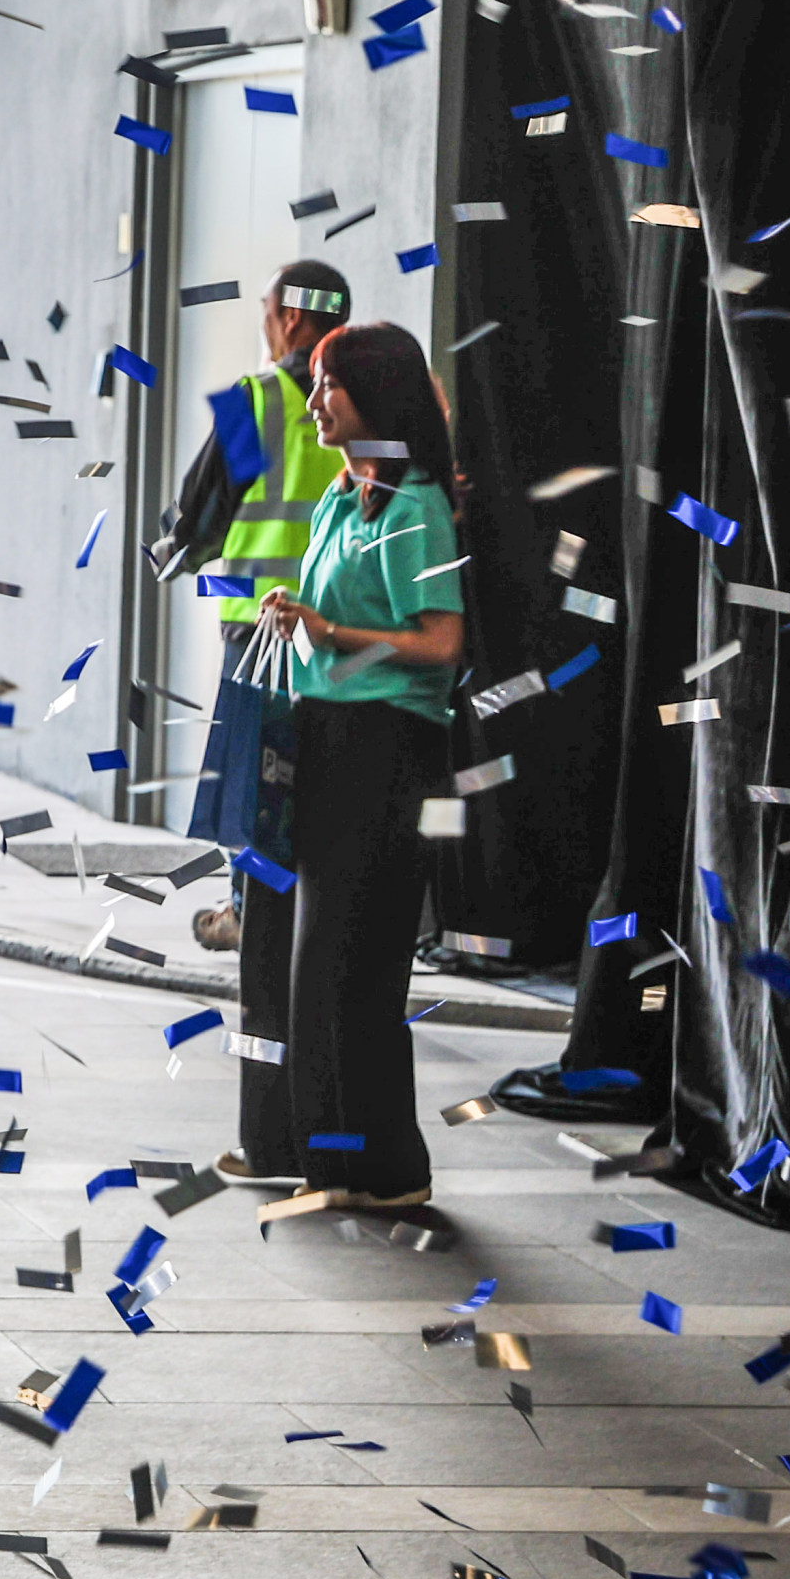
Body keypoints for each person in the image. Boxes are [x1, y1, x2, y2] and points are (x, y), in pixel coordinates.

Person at [234, 322, 466, 1209]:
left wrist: (330, 633)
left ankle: (373, 1170)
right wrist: (291, 615)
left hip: (389, 748)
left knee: (350, 961)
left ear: (374, 393)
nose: (313, 398)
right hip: (327, 738)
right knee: (321, 964)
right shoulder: (340, 498)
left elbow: (439, 642)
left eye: (329, 383)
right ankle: (349, 1169)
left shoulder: (416, 510)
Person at [167, 260, 351, 951]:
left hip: (263, 629)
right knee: (329, 780)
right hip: (349, 629)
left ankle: (250, 913)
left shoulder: (256, 399)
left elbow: (198, 516)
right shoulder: (371, 394)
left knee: (257, 783)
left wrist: (178, 548)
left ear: (292, 318)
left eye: (268, 315)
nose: (267, 330)